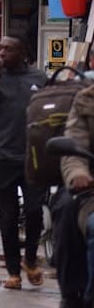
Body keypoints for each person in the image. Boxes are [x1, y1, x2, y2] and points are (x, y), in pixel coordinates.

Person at [0, 35, 47, 290]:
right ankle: (13, 272)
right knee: (7, 215)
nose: (2, 53)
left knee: (34, 210)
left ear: (23, 52)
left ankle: (30, 258)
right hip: (3, 155)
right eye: (0, 48)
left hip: (33, 155)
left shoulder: (39, 78)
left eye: (8, 49)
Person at [61, 80, 94, 305]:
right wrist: (78, 174)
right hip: (91, 192)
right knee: (65, 209)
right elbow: (73, 147)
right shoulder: (86, 100)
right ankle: (78, 296)